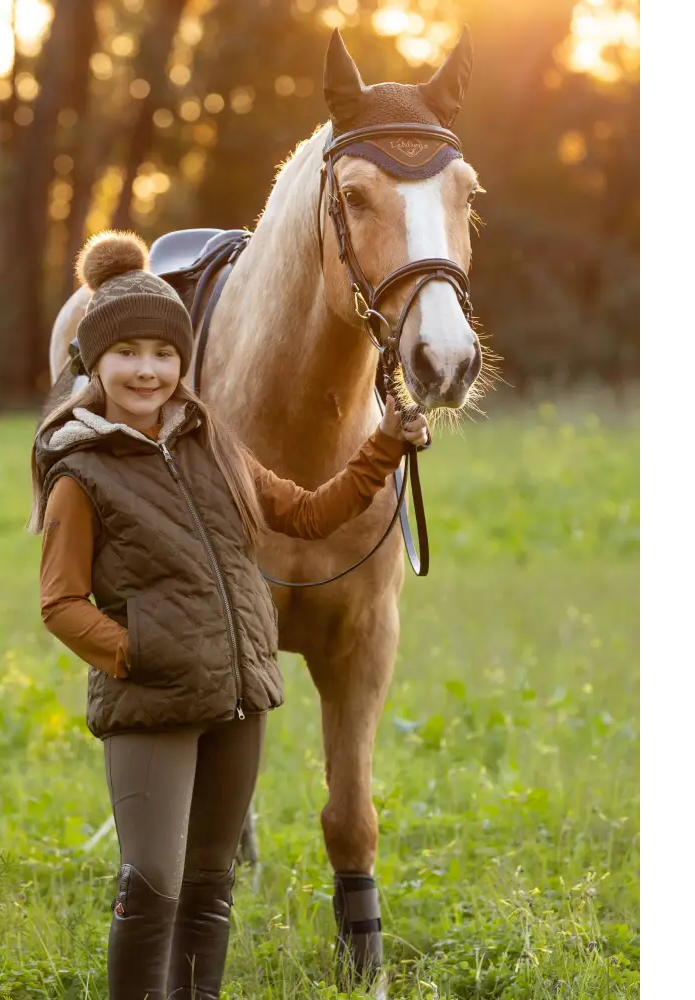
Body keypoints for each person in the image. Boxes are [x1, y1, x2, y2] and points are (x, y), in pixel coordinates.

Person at [28, 231, 429, 1000]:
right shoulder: (81, 470)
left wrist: (382, 445)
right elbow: (59, 603)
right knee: (152, 881)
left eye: (163, 354)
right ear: (95, 365)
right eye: (127, 354)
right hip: (153, 698)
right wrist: (135, 654)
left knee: (211, 886)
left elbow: (309, 514)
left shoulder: (217, 446)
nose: (148, 370)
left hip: (240, 697)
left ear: (185, 364)